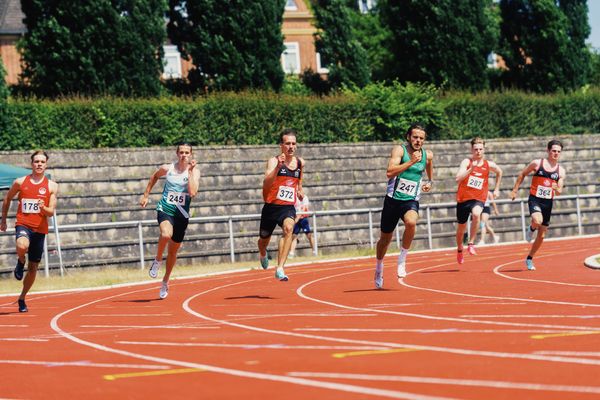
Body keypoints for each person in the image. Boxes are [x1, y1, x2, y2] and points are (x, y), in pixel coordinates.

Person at [374, 124, 433, 289]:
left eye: (421, 138)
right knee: (385, 239)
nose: (418, 141)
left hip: (410, 200)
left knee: (411, 222)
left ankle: (402, 259)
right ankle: (379, 267)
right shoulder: (399, 151)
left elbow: (429, 163)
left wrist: (430, 181)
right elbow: (389, 172)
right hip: (393, 200)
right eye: (415, 137)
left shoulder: (426, 155)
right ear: (408, 137)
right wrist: (411, 162)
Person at [140, 142, 200, 299]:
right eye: (181, 152)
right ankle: (157, 259)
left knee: (173, 252)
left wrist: (191, 172)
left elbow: (192, 192)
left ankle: (165, 281)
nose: (184, 155)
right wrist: (146, 195)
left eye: (187, 152)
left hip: (182, 215)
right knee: (166, 234)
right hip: (165, 209)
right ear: (177, 153)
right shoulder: (168, 168)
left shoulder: (194, 172)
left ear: (191, 154)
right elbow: (154, 176)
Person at [1, 151, 59, 313]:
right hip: (23, 224)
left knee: (33, 268)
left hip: (40, 230)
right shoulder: (20, 182)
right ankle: (20, 261)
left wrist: (43, 207)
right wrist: (3, 220)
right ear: (31, 164)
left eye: (42, 162)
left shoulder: (52, 186)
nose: (39, 164)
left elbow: (50, 212)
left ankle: (22, 298)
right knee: (21, 244)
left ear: (46, 164)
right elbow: (7, 199)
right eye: (36, 161)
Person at [510, 139, 565, 271]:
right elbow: (522, 174)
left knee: (542, 236)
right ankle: (531, 228)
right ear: (548, 150)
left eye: (558, 151)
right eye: (553, 151)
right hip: (535, 199)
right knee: (537, 220)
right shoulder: (537, 163)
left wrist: (556, 187)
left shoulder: (561, 171)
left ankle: (529, 258)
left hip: (548, 203)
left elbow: (559, 192)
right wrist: (515, 190)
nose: (556, 153)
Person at [258, 128, 305, 281]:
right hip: (271, 207)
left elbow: (299, 181)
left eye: (293, 143)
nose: (291, 147)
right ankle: (263, 253)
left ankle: (280, 268)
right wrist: (278, 167)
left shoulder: (300, 163)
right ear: (281, 145)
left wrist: (300, 190)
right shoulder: (273, 161)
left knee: (289, 228)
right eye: (287, 144)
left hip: (287, 207)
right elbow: (266, 182)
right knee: (263, 240)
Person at [455, 137, 502, 264]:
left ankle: (471, 243)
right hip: (463, 199)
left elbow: (499, 172)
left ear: (484, 150)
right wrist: (471, 169)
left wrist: (497, 189)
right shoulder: (466, 162)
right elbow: (458, 178)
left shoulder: (488, 164)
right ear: (471, 150)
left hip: (478, 198)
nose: (478, 152)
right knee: (461, 229)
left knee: (476, 214)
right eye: (476, 149)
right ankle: (460, 249)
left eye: (481, 149)